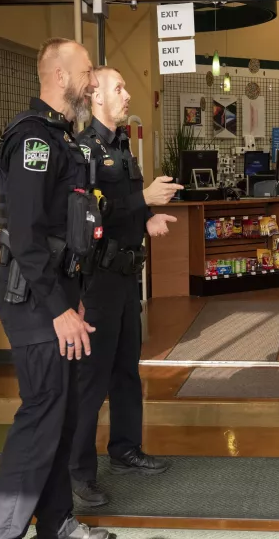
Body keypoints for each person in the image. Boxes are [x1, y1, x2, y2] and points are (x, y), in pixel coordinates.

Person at [0, 38, 110, 539]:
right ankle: (1, 532)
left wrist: (72, 301)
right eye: (85, 72)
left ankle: (56, 523)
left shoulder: (61, 139)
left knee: (61, 413)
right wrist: (59, 309)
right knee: (41, 415)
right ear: (58, 75)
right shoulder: (34, 140)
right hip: (32, 300)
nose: (91, 81)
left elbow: (65, 233)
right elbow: (27, 236)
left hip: (56, 297)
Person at [69, 66, 183, 506]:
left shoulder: (120, 146)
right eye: (118, 88)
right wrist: (144, 200)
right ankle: (78, 473)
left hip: (124, 278)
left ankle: (125, 450)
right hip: (96, 281)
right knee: (91, 379)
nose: (128, 94)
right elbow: (86, 214)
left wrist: (147, 217)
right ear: (95, 96)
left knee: (125, 371)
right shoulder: (83, 150)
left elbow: (120, 209)